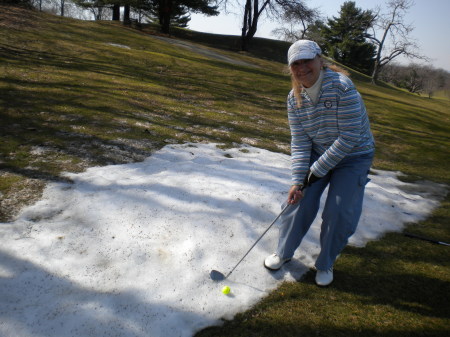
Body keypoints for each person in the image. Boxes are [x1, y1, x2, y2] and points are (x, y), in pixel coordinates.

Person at [264, 40, 375, 286]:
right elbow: (300, 140)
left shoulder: (342, 87)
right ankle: (283, 252)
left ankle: (325, 263)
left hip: (354, 156)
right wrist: (298, 179)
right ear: (290, 68)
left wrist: (316, 171)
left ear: (320, 61)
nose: (303, 67)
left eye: (307, 60)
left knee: (339, 211)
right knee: (298, 200)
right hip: (319, 151)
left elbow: (349, 137)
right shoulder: (294, 99)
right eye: (296, 63)